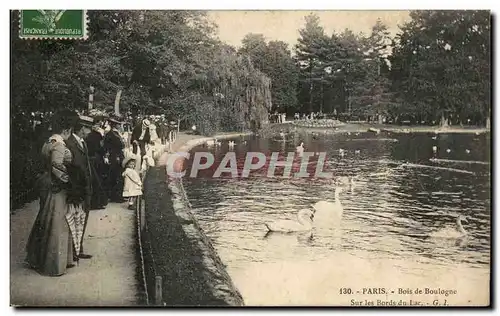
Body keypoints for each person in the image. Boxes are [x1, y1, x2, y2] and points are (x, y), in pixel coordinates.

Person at [26, 109, 80, 276]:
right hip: (56, 186)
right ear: (68, 129)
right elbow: (57, 166)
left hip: (46, 182)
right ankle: (53, 264)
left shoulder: (50, 140)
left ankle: (38, 257)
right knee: (57, 222)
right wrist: (69, 182)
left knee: (46, 217)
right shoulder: (59, 143)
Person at [65, 115, 94, 260]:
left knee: (82, 218)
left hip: (85, 188)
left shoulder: (82, 142)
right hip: (77, 188)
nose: (90, 131)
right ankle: (73, 252)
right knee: (74, 218)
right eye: (89, 128)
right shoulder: (70, 143)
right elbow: (73, 168)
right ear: (83, 128)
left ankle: (78, 249)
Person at [85, 117, 108, 210]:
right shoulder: (98, 135)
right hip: (96, 159)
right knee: (98, 180)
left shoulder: (88, 135)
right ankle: (97, 203)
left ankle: (92, 202)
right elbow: (101, 147)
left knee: (93, 181)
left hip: (90, 159)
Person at [104, 116, 125, 203]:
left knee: (118, 175)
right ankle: (115, 196)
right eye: (118, 124)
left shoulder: (116, 133)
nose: (120, 125)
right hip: (114, 156)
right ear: (114, 125)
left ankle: (117, 195)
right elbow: (108, 146)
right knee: (116, 176)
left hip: (118, 155)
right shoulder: (110, 134)